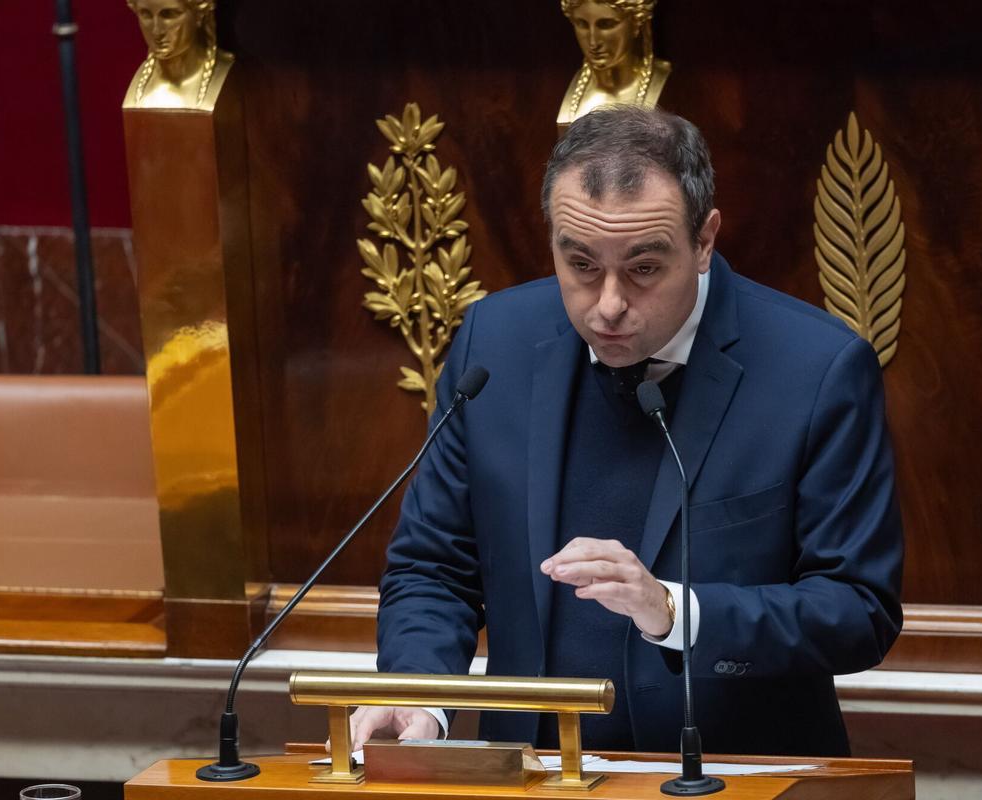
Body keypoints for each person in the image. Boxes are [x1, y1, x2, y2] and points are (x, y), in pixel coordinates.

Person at [352, 106, 903, 757]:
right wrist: (417, 693)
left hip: (735, 773)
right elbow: (435, 566)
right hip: (534, 775)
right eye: (581, 264)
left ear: (704, 241)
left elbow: (857, 609)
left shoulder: (815, 369)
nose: (608, 304)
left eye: (643, 268)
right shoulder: (493, 345)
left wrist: (676, 613)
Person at [556, 0, 672, 126]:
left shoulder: (663, 80)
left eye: (606, 24)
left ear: (637, 22)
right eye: (582, 24)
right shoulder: (574, 97)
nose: (593, 42)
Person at [124, 0, 234, 110]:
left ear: (199, 14)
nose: (156, 31)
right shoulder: (139, 88)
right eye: (146, 14)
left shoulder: (228, 76)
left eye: (169, 14)